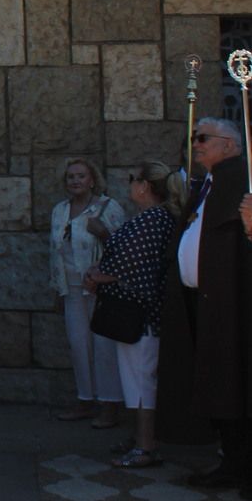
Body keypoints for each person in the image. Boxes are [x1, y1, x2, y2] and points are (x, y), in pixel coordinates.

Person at [157, 117, 252, 494]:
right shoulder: (210, 183)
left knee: (234, 386)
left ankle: (241, 466)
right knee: (217, 386)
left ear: (230, 145)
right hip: (203, 301)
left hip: (233, 307)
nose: (195, 144)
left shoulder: (240, 179)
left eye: (203, 139)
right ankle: (231, 459)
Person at [83, 161, 184, 469]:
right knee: (137, 380)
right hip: (140, 311)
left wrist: (97, 276)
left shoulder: (152, 219)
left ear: (144, 186)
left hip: (139, 314)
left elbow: (127, 262)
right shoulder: (156, 218)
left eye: (132, 179)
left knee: (140, 382)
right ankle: (141, 439)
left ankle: (145, 446)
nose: (129, 184)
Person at [49, 157, 126, 426]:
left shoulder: (108, 208)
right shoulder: (60, 210)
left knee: (104, 347)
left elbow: (122, 248)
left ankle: (109, 405)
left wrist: (103, 233)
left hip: (100, 289)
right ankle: (85, 400)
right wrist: (57, 290)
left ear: (92, 179)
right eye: (71, 177)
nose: (75, 181)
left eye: (81, 176)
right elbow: (55, 252)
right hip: (70, 288)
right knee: (78, 345)